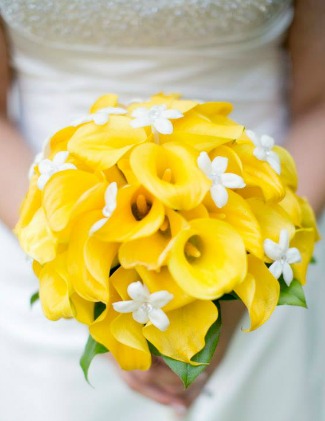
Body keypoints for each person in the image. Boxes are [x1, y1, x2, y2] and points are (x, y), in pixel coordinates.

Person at [0, 1, 324, 421]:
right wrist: (85, 282)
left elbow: (318, 105)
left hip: (261, 238)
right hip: (42, 243)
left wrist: (235, 294)